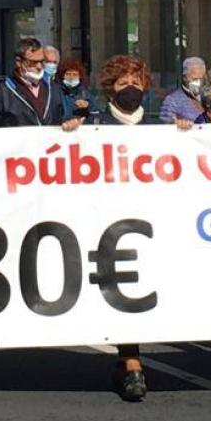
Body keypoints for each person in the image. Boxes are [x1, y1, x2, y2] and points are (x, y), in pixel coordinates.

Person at [64, 54, 153, 400]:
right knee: (124, 289)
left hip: (154, 219)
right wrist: (72, 132)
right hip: (112, 223)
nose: (130, 89)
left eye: (135, 83)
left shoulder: (161, 125)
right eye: (122, 84)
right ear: (109, 89)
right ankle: (131, 362)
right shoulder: (96, 126)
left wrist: (186, 133)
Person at [0, 38, 63, 127]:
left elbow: (61, 119)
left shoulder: (53, 88)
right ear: (18, 62)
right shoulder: (0, 93)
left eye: (42, 61)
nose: (39, 67)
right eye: (33, 62)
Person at [159, 56, 207, 123]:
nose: (198, 82)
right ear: (184, 78)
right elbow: (165, 125)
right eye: (194, 79)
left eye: (201, 79)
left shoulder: (208, 97)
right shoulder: (173, 100)